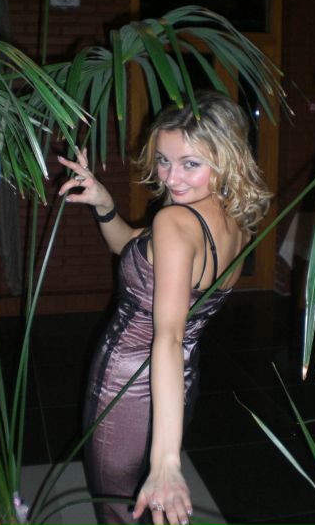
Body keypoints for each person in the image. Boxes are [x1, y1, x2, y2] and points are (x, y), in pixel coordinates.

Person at [58, 92, 271, 525]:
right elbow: (131, 246)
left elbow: (169, 337)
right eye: (163, 160)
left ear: (226, 159)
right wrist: (104, 204)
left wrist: (167, 463)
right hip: (180, 383)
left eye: (190, 163)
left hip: (126, 387)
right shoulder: (236, 221)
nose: (172, 177)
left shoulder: (175, 222)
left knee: (117, 510)